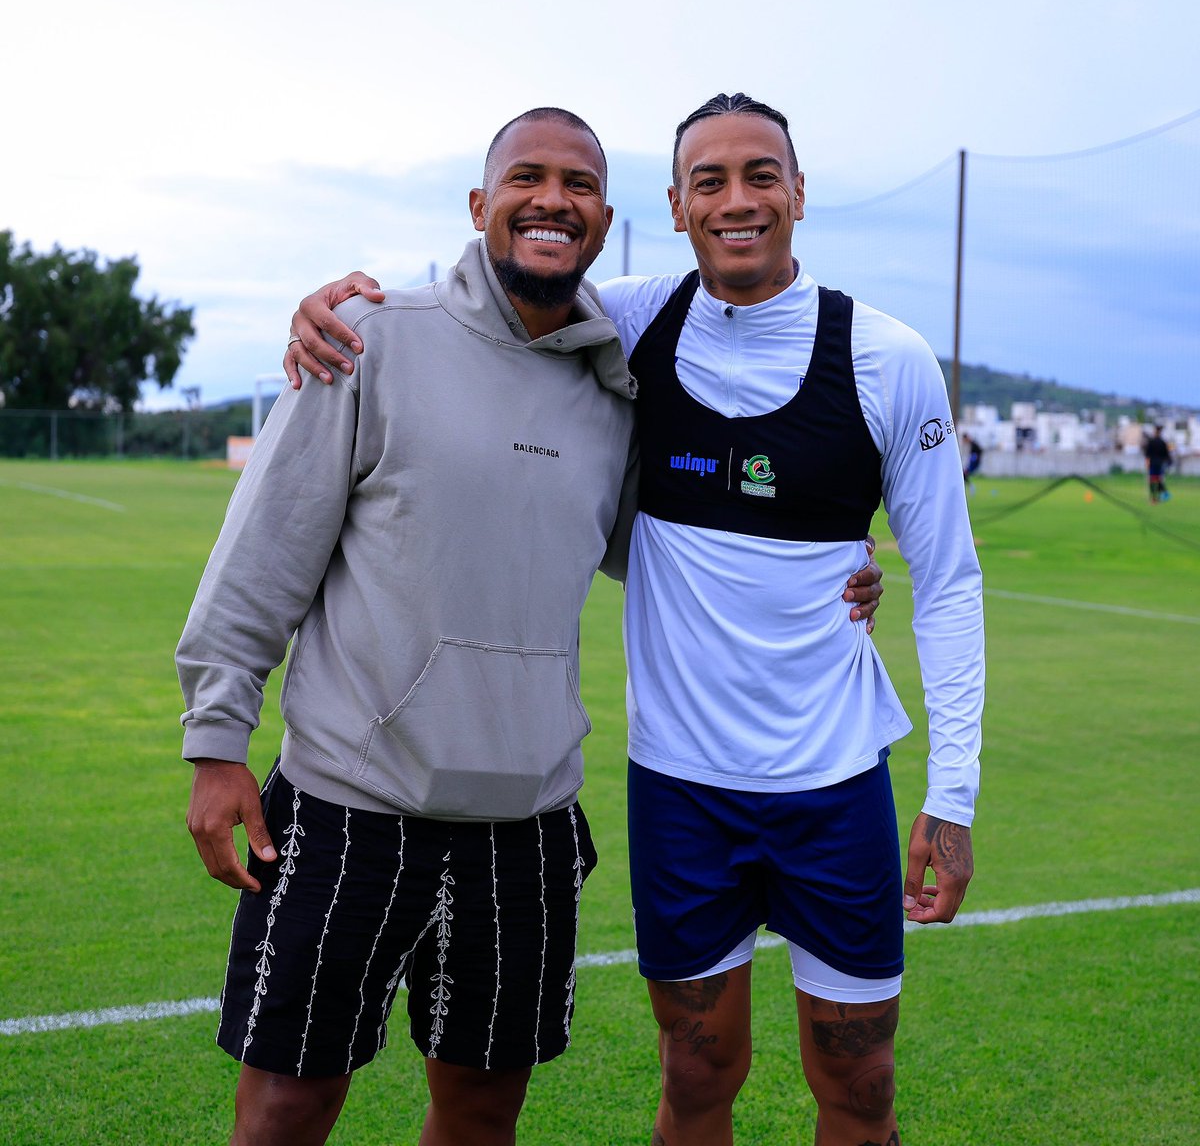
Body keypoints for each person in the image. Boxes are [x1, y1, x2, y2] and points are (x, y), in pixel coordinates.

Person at [286, 93, 981, 1146]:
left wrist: (955, 792)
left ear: (799, 193)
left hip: (836, 786)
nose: (737, 200)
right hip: (682, 792)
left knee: (862, 1086)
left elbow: (948, 581)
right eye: (710, 181)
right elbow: (491, 304)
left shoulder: (888, 358)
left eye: (761, 175)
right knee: (697, 1076)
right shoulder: (632, 322)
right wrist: (341, 308)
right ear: (673, 205)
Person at [1143, 424, 1173, 502]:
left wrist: (1147, 463)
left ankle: (1154, 497)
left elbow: (1147, 454)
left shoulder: (1152, 442)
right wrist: (1169, 464)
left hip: (1153, 464)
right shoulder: (1163, 442)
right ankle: (1163, 495)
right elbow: (1167, 455)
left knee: (1152, 480)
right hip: (1161, 465)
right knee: (1159, 480)